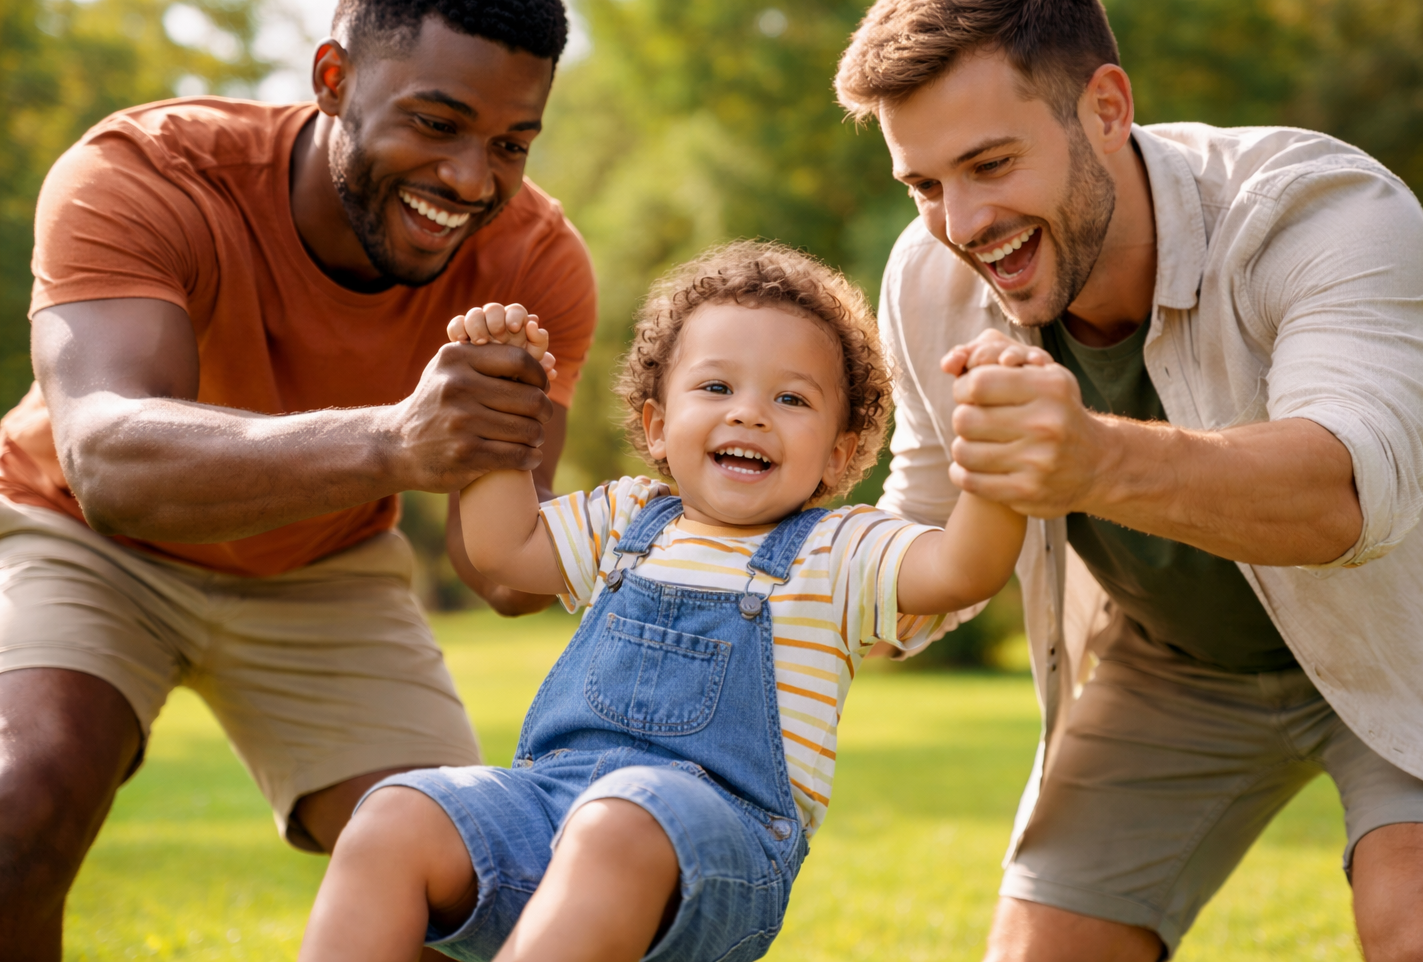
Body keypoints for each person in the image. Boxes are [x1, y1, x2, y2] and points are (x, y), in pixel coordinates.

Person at [834, 0, 1423, 961]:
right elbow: (929, 515)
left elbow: (1344, 492)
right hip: (1175, 664)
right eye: (924, 185)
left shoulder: (1322, 210)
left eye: (990, 165)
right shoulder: (928, 272)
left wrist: (1090, 460)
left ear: (1107, 110)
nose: (964, 223)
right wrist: (783, 574)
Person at [0, 0, 598, 956]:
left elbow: (506, 577)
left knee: (475, 884)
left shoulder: (536, 263)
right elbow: (108, 460)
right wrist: (395, 440)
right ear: (333, 79)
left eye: (512, 144)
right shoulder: (146, 173)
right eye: (437, 123)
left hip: (325, 564)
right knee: (19, 808)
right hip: (83, 544)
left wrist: (677, 523)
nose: (469, 178)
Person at [295, 241, 1029, 962]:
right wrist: (502, 403)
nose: (750, 414)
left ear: (839, 454)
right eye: (716, 388)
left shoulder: (838, 551)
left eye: (792, 398)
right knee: (396, 811)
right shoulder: (626, 520)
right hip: (547, 811)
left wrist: (1000, 455)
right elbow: (503, 548)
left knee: (621, 812)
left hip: (716, 855)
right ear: (656, 425)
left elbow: (964, 569)